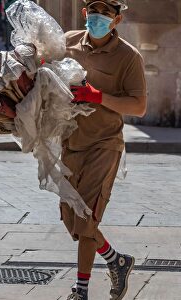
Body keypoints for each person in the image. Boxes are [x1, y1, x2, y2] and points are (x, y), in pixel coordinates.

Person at [61, 1, 146, 299]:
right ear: (85, 13)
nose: (98, 17)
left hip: (105, 144)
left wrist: (98, 96)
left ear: (117, 19)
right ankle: (116, 261)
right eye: (93, 11)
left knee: (87, 218)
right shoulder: (66, 43)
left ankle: (80, 291)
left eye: (106, 13)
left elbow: (139, 106)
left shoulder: (128, 57)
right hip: (70, 143)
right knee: (71, 220)